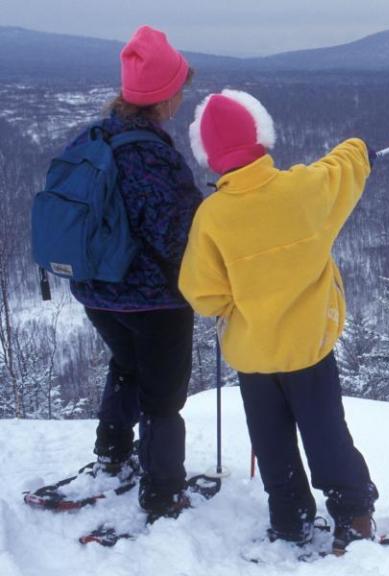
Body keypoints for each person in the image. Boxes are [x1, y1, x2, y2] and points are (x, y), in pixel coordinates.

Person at [179, 89, 379, 554]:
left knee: (271, 444)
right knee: (327, 434)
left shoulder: (211, 217)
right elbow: (344, 168)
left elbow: (203, 296)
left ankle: (290, 520)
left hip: (254, 358)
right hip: (309, 349)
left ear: (209, 157)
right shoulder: (305, 190)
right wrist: (359, 149)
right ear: (261, 136)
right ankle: (354, 514)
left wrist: (236, 304)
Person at [68, 25, 202, 520]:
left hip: (94, 290)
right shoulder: (149, 155)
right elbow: (176, 236)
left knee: (126, 366)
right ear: (163, 95)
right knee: (164, 398)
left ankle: (111, 453)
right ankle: (164, 492)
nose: (181, 97)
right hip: (152, 300)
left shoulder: (96, 137)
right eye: (179, 88)